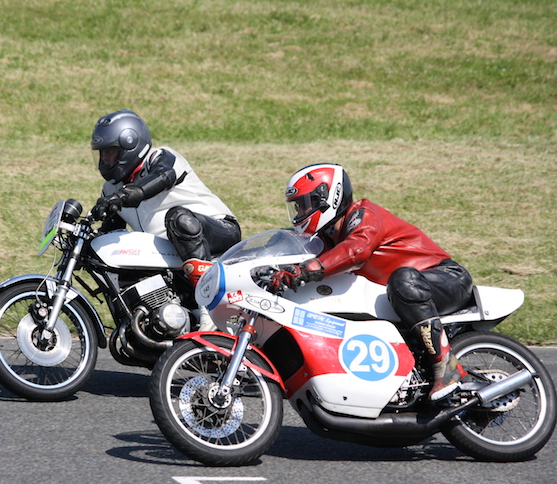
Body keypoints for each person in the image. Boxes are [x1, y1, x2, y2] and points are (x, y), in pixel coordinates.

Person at [271, 163, 473, 402]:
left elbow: (356, 250)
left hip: (445, 278)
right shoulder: (327, 238)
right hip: (399, 297)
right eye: (297, 207)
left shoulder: (363, 215)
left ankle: (447, 367)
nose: (300, 213)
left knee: (403, 280)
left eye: (306, 204)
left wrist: (309, 269)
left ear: (328, 198)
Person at [89, 110, 241, 313]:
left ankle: (208, 308)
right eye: (103, 154)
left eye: (111, 152)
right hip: (174, 255)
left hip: (218, 231)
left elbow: (162, 177)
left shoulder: (161, 157)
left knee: (178, 218)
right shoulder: (112, 189)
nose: (106, 159)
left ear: (130, 146)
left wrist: (123, 196)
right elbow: (110, 234)